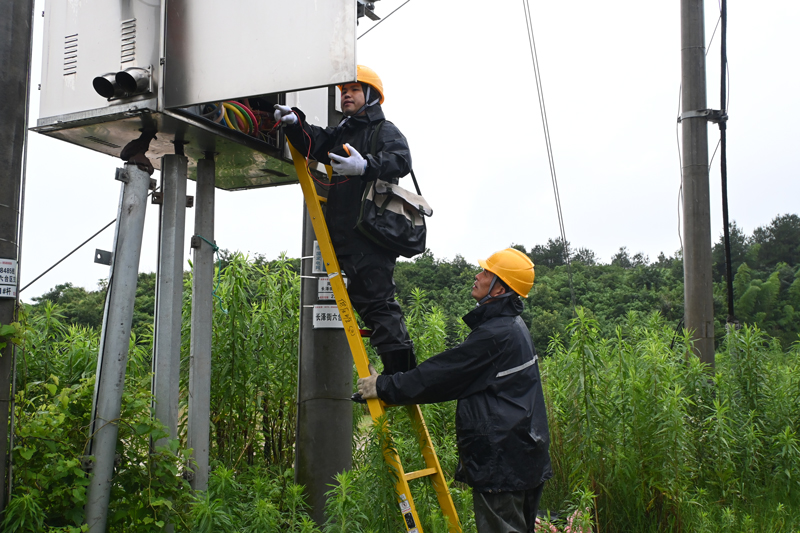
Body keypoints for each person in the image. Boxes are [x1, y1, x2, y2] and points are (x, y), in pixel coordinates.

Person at [357, 248, 552, 533]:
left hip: (504, 461)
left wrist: (384, 386)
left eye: (486, 272)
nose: (477, 275)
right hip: (523, 454)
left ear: (500, 289)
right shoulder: (513, 327)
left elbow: (441, 375)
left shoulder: (496, 334)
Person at [273, 65, 416, 378]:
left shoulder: (383, 130)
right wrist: (296, 124)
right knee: (367, 303)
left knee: (378, 302)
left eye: (352, 90)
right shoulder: (346, 130)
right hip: (347, 234)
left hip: (371, 235)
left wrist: (366, 165)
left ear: (371, 96)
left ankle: (401, 377)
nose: (345, 95)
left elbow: (401, 159)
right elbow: (318, 143)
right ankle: (397, 376)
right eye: (342, 91)